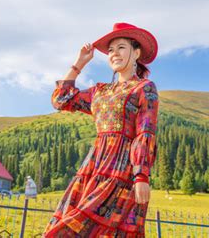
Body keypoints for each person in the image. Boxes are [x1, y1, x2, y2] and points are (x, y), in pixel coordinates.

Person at [43, 22, 160, 237]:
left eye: (121, 48)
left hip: (122, 170)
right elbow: (60, 100)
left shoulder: (144, 88)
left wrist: (141, 176)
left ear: (136, 53)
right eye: (111, 50)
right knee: (65, 227)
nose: (114, 54)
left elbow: (145, 133)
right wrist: (79, 64)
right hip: (94, 167)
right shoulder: (100, 91)